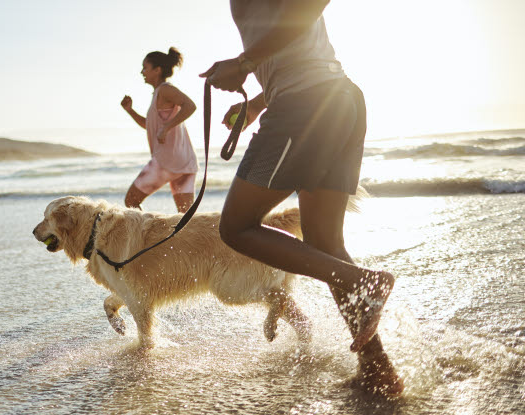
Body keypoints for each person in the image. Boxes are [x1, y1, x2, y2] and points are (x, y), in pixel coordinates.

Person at [199, 0, 403, 395]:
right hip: (334, 98)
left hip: (305, 105)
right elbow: (292, 44)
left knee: (236, 227)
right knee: (325, 243)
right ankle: (379, 371)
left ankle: (365, 281)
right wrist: (259, 102)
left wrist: (243, 63)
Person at [121, 47, 198, 213]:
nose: (142, 72)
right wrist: (130, 110)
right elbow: (150, 126)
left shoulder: (165, 90)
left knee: (131, 202)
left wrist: (166, 128)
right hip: (185, 162)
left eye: (145, 67)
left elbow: (190, 106)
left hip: (166, 162)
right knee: (185, 216)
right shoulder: (159, 93)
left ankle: (149, 236)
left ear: (157, 70)